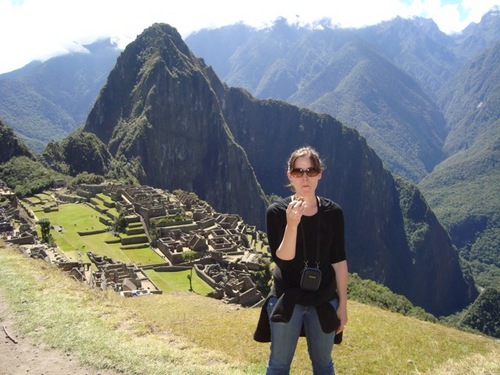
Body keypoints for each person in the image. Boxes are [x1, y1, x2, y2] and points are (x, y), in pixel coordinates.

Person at [254, 146, 348, 375]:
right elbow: (283, 258)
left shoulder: (333, 212)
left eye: (311, 170)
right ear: (290, 176)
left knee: (324, 364)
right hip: (288, 296)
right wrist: (292, 224)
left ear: (319, 173)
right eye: (298, 172)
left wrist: (343, 305)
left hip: (324, 298)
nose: (305, 177)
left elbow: (339, 261)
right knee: (278, 364)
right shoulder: (277, 212)